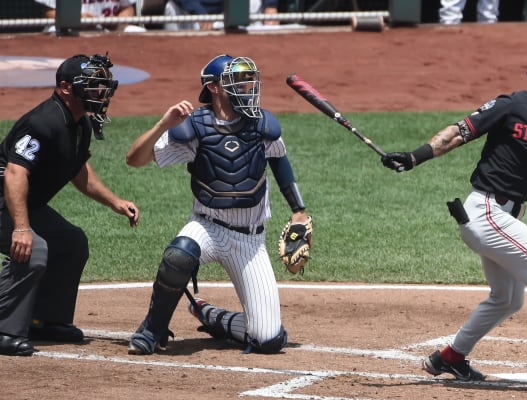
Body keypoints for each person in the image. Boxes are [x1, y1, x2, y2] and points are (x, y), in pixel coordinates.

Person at [381, 50, 527, 395]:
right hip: (487, 210)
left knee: (508, 298)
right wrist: (415, 157)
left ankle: (450, 358)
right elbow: (460, 132)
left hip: (504, 217)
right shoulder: (512, 104)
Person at [126, 54, 312, 356]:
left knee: (269, 339)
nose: (247, 86)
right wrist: (163, 124)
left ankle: (212, 315)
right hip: (208, 227)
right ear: (213, 87)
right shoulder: (194, 128)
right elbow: (134, 159)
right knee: (179, 253)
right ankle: (152, 328)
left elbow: (280, 162)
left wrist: (299, 211)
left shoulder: (261, 124)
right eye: (237, 80)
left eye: (248, 79)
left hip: (250, 242)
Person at [0, 54, 139, 357]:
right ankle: (4, 327)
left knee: (70, 242)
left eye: (103, 86)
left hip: (22, 204)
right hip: (6, 202)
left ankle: (45, 319)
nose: (102, 93)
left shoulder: (79, 124)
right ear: (65, 88)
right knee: (33, 250)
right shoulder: (43, 122)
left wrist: (115, 202)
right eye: (92, 86)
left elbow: (77, 169)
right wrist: (22, 228)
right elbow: (14, 173)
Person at [163, 0, 278, 31]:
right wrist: (198, 12)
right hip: (189, 14)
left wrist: (270, 5)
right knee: (172, 6)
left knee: (253, 2)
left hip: (224, 12)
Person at [34, 0, 140, 32]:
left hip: (109, 30)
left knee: (137, 32)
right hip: (71, 30)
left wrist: (118, 20)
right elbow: (49, 12)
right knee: (52, 30)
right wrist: (75, 19)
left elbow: (128, 8)